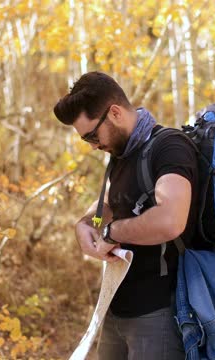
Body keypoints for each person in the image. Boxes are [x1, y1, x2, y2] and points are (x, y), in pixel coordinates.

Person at [53, 71, 199, 360]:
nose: (93, 146)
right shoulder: (121, 155)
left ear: (115, 113)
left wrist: (111, 233)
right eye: (86, 140)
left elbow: (170, 220)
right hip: (114, 310)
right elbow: (106, 208)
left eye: (93, 135)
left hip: (157, 315)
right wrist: (86, 225)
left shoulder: (169, 147)